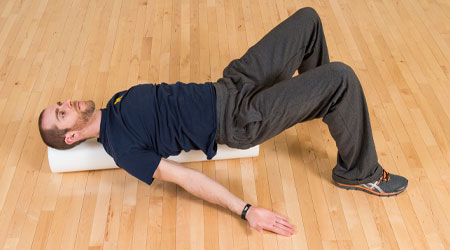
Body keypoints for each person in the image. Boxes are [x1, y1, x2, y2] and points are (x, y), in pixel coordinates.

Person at [38, 7, 408, 237]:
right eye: (61, 112)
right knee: (342, 76)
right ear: (71, 136)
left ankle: (323, 103)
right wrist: (246, 210)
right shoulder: (123, 149)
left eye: (59, 104)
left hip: (231, 84)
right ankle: (360, 172)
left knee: (308, 20)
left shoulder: (115, 102)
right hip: (239, 120)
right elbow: (185, 179)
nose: (66, 102)